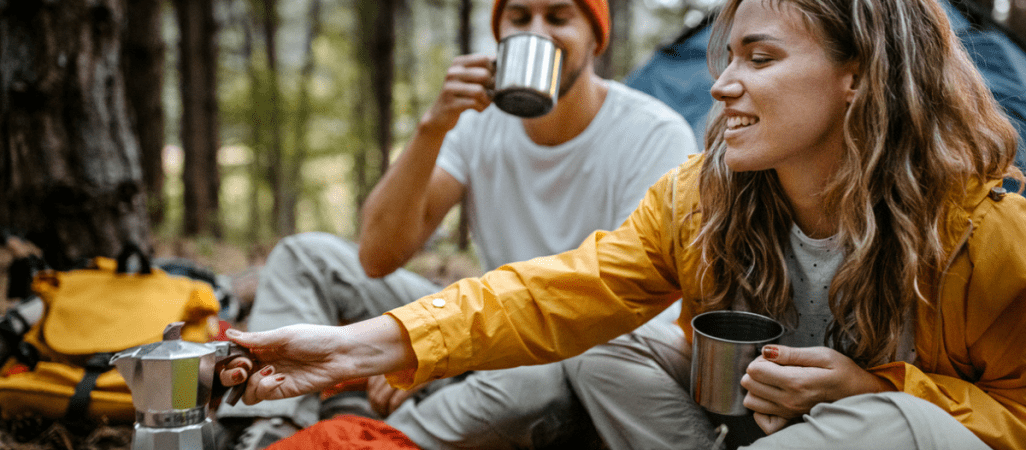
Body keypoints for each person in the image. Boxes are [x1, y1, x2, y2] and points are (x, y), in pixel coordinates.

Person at [220, 0, 1026, 449]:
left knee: (885, 422)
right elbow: (552, 293)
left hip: (886, 434)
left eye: (761, 59)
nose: (723, 87)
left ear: (859, 77)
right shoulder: (703, 201)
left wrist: (875, 385)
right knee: (601, 344)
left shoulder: (987, 237)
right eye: (728, 58)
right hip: (747, 431)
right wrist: (352, 348)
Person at [216, 0, 698, 448]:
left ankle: (366, 434)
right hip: (474, 318)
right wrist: (433, 127)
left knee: (536, 379)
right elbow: (377, 256)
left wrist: (432, 353)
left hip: (567, 349)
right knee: (307, 257)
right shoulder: (479, 122)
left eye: (558, 17)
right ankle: (271, 425)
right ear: (499, 33)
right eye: (519, 17)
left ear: (596, 38)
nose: (537, 32)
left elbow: (631, 316)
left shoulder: (652, 133)